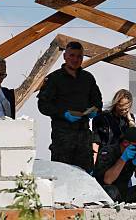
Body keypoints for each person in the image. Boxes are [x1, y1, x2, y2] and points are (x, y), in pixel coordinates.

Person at [37, 41, 102, 172]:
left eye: (79, 56)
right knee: (62, 174)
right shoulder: (54, 78)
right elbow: (43, 105)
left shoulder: (87, 78)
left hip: (83, 135)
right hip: (62, 136)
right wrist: (62, 114)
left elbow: (97, 101)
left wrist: (95, 110)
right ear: (65, 56)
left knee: (85, 176)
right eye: (72, 55)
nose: (75, 59)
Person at [94, 126, 136, 203]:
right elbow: (107, 180)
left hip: (123, 192)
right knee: (111, 191)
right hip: (103, 190)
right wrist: (123, 159)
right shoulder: (108, 151)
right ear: (125, 143)